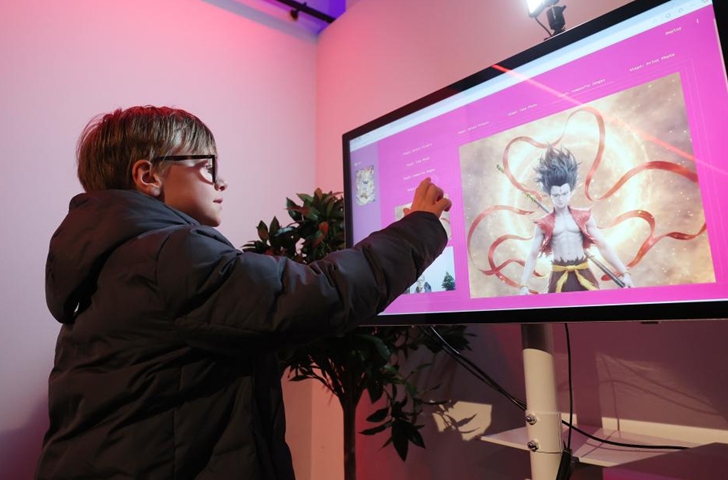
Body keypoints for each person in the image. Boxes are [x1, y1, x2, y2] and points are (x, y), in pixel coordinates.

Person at [36, 106, 452, 480]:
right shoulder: (170, 254)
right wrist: (420, 227)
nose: (222, 181)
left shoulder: (112, 259)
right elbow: (321, 293)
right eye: (206, 166)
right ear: (149, 176)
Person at [518, 145, 632, 294]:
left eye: (564, 193)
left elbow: (602, 245)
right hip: (559, 275)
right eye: (556, 195)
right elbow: (533, 254)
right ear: (549, 194)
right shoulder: (543, 224)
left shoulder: (584, 217)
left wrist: (624, 273)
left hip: (583, 272)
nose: (560, 199)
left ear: (570, 191)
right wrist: (523, 285)